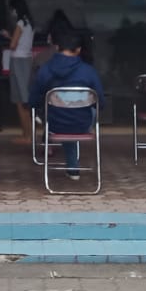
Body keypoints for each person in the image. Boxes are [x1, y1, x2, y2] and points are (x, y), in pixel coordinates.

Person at [29, 31, 103, 180]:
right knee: (83, 112)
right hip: (82, 123)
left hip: (54, 124)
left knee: (62, 113)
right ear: (79, 50)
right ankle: (72, 167)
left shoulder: (45, 70)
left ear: (57, 47)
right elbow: (101, 101)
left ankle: (73, 168)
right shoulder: (88, 71)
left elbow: (33, 100)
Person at [4, 0, 35, 146]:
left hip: (18, 61)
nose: (11, 12)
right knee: (23, 98)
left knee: (21, 100)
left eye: (12, 9)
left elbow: (13, 45)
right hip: (27, 60)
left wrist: (8, 37)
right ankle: (27, 134)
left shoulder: (20, 24)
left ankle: (27, 135)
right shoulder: (29, 23)